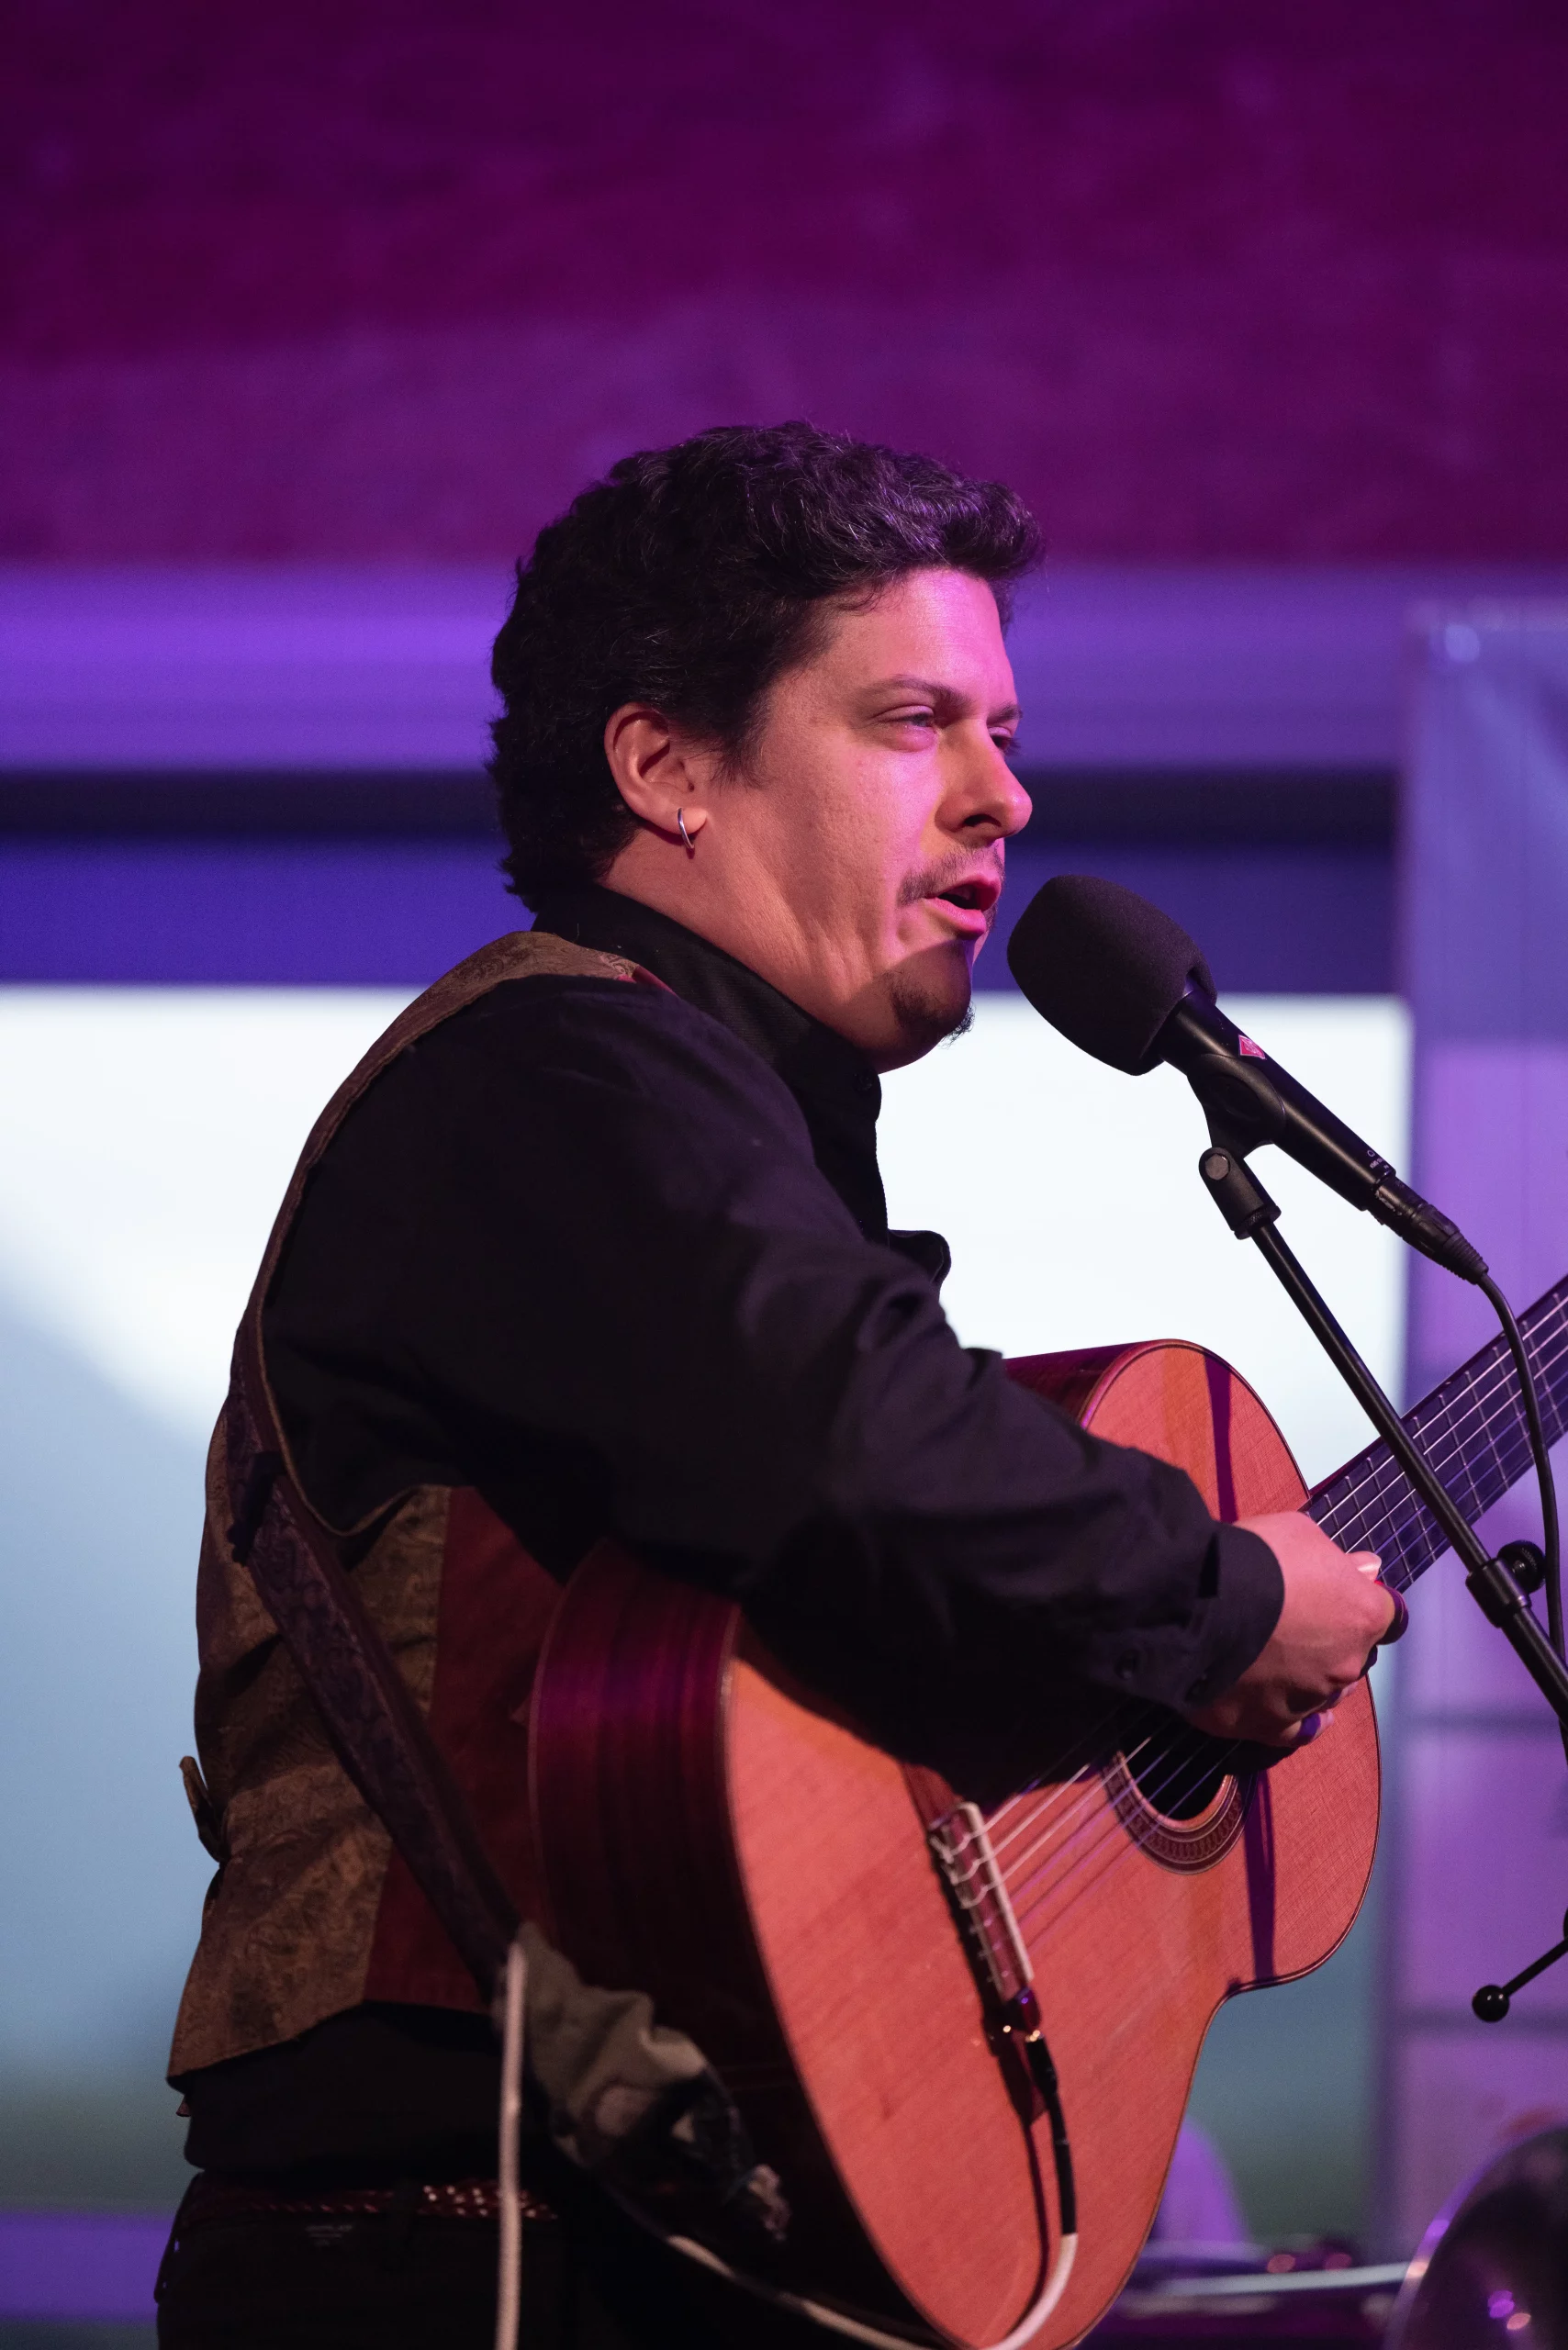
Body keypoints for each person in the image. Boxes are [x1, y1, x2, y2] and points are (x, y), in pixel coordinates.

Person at [153, 423, 1392, 2348]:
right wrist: (1225, 1600)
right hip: (464, 2258)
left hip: (637, 2241)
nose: (1004, 793)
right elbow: (854, 1447)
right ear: (665, 770)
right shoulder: (552, 1076)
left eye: (1001, 730)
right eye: (912, 721)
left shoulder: (714, 1116)